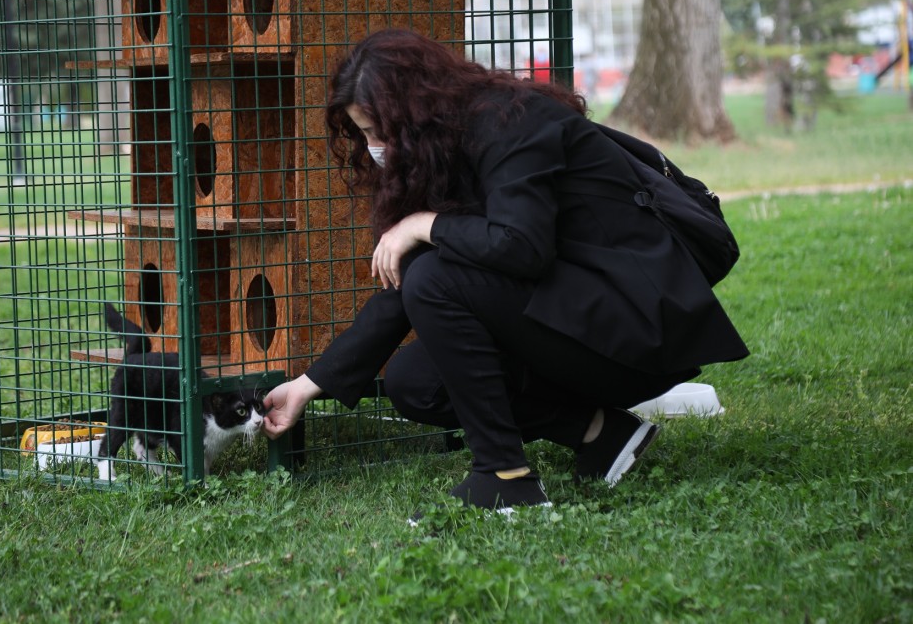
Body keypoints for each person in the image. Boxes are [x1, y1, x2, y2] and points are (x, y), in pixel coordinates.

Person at [261, 29, 749, 512]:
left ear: (413, 114)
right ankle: (603, 432)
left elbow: (521, 247)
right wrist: (309, 385)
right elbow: (405, 284)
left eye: (376, 130)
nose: (375, 146)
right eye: (364, 133)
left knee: (436, 277)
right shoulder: (443, 145)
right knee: (415, 380)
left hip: (636, 329)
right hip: (575, 320)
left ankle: (504, 478)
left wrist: (425, 223)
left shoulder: (513, 124)